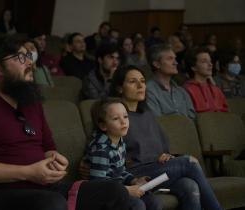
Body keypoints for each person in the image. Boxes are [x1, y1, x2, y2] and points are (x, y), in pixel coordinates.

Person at [0, 35, 129, 210]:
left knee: (116, 191)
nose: (29, 62)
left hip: (46, 188)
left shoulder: (32, 104)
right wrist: (28, 172)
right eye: (21, 57)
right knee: (53, 203)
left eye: (29, 56)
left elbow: (48, 148)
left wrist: (54, 160)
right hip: (2, 193)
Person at [109, 65, 224, 210]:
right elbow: (104, 147)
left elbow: (161, 147)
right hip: (133, 175)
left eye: (143, 81)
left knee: (189, 186)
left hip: (157, 170)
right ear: (120, 88)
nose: (140, 86)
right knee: (189, 162)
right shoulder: (114, 116)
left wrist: (166, 156)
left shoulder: (148, 114)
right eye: (132, 81)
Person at [86, 98, 163, 210]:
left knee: (153, 201)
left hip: (120, 189)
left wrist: (134, 180)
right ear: (103, 125)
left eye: (126, 116)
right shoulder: (101, 149)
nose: (123, 122)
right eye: (116, 118)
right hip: (107, 195)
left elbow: (120, 172)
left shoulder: (120, 143)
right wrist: (128, 190)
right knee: (137, 205)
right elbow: (99, 185)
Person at [145, 43, 195, 119]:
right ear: (157, 64)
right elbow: (157, 122)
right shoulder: (148, 90)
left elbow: (192, 118)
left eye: (175, 58)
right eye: (170, 59)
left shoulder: (181, 91)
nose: (175, 63)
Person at [184, 47, 228, 113]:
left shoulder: (216, 89)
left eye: (210, 61)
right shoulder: (187, 89)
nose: (210, 64)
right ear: (193, 67)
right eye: (204, 61)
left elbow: (226, 112)